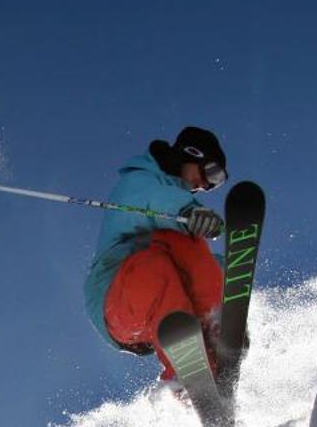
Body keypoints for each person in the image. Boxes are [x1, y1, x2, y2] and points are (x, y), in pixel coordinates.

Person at [83, 125, 229, 382]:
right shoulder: (138, 182)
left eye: (215, 183)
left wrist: (227, 272)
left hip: (157, 319)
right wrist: (187, 211)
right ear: (191, 153)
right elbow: (155, 199)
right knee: (170, 246)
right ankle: (189, 374)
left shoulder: (176, 207)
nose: (206, 185)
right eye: (211, 172)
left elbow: (200, 268)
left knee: (200, 255)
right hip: (118, 303)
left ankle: (215, 339)